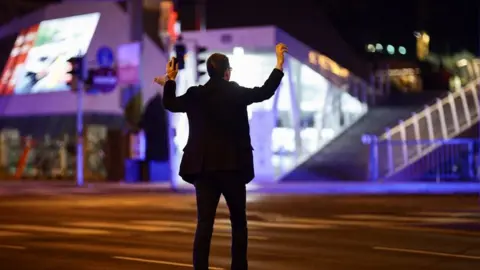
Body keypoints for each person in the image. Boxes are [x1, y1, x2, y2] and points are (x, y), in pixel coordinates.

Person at [155, 43, 287, 270]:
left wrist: (170, 80)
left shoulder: (196, 94)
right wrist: (278, 64)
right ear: (227, 72)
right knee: (238, 224)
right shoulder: (235, 91)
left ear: (209, 71)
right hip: (233, 168)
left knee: (204, 224)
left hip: (203, 169)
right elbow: (265, 92)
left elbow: (170, 103)